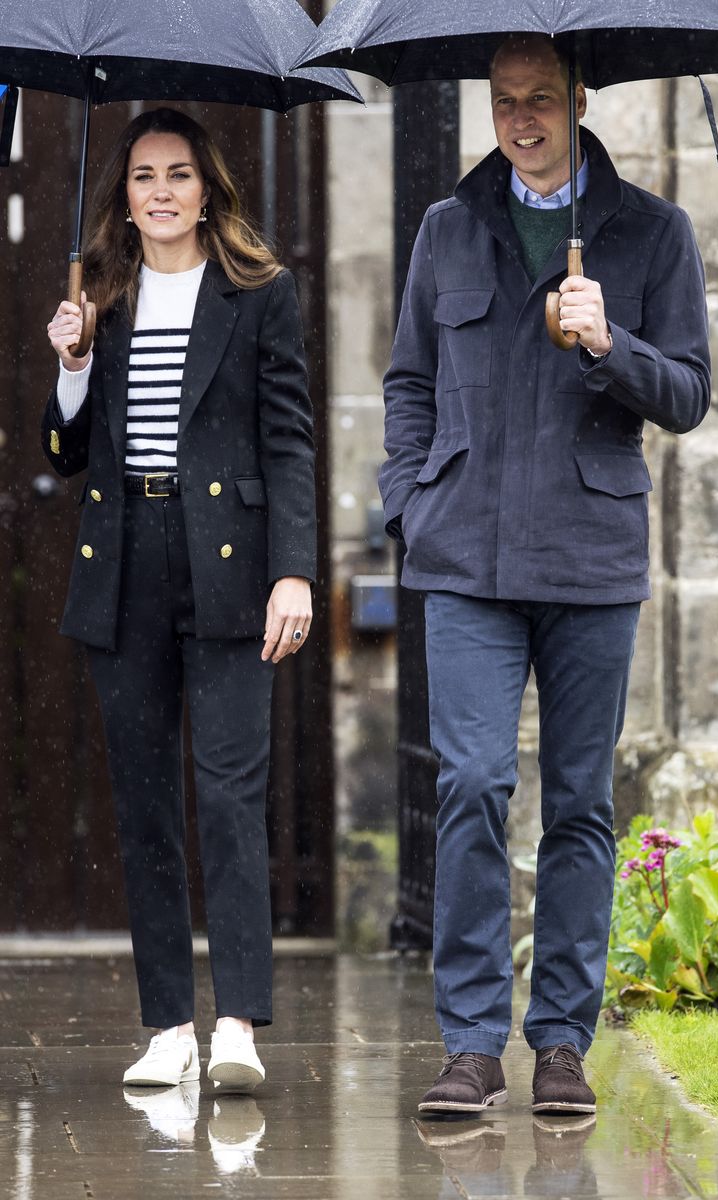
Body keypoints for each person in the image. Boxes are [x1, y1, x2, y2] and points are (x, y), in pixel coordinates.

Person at [380, 34, 710, 1115]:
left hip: (589, 553)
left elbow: (689, 392)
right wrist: (409, 501)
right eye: (502, 101)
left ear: (579, 101)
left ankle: (561, 1041)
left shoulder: (653, 231)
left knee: (578, 803)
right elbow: (407, 380)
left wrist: (610, 343)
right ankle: (471, 1043)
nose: (520, 120)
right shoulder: (446, 227)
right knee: (471, 785)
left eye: (539, 100)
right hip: (465, 557)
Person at [43, 107, 316, 1093]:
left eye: (178, 175)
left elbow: (288, 438)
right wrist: (73, 366)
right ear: (123, 197)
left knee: (230, 795)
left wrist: (294, 570)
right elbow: (66, 454)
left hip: (230, 562)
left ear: (207, 192)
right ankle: (168, 1027)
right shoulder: (100, 298)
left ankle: (236, 1024)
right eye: (143, 177)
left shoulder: (258, 292)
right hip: (125, 561)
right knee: (146, 801)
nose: (160, 192)